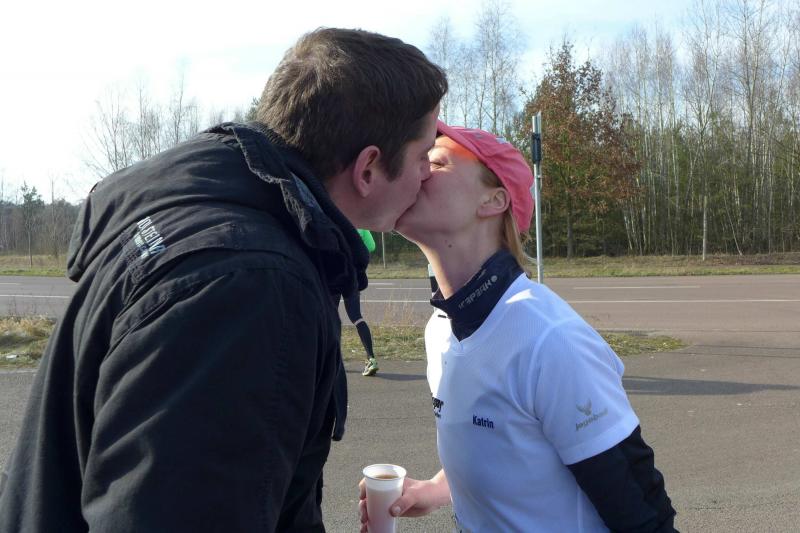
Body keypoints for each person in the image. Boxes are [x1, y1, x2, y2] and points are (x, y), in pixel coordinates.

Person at [0, 28, 446, 532]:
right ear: (368, 169)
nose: (428, 173)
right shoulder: (248, 288)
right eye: (422, 155)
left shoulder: (200, 215)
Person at [359, 122, 676, 532]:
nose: (416, 171)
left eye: (434, 162)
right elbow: (512, 450)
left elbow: (642, 512)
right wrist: (436, 489)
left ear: (493, 201)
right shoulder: (440, 329)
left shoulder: (550, 340)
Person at [342, 229, 380, 377]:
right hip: (354, 275)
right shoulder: (361, 224)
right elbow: (371, 246)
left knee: (331, 317)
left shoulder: (333, 218)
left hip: (335, 273)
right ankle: (371, 358)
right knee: (357, 317)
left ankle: (333, 360)